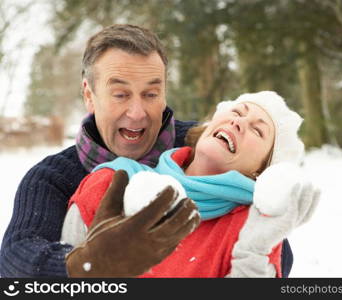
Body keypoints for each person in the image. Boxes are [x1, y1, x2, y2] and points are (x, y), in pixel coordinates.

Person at [0, 24, 201, 277]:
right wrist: (89, 265)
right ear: (89, 95)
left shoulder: (201, 146)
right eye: (120, 94)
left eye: (151, 94)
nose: (137, 112)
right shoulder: (52, 179)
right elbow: (15, 259)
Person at [61, 91, 320, 277]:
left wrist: (254, 250)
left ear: (260, 170)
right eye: (237, 112)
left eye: (257, 130)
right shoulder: (113, 181)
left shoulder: (252, 231)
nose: (239, 121)